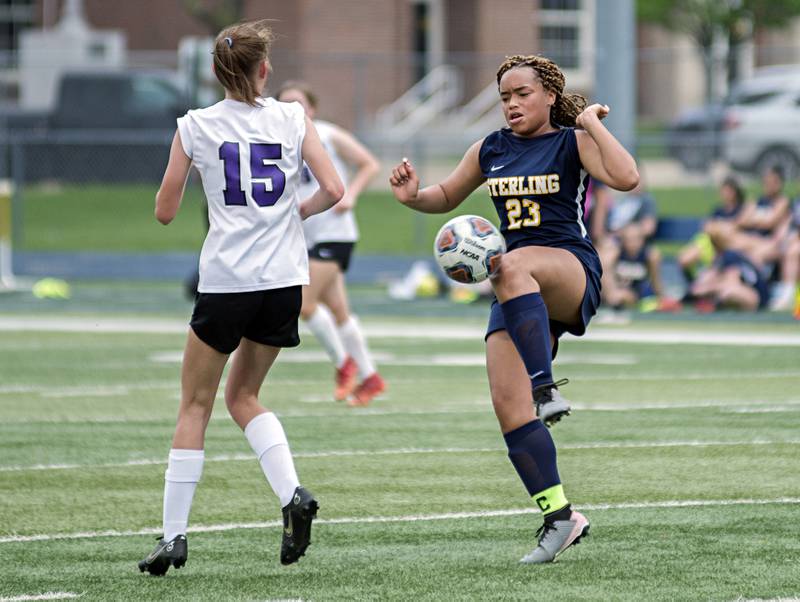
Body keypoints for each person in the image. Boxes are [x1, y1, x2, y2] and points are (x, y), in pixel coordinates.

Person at [389, 54, 638, 564]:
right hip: (514, 283)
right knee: (507, 404)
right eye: (504, 97)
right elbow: (445, 195)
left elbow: (628, 177)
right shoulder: (491, 149)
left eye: (522, 94)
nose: (512, 105)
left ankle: (545, 388)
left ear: (549, 95)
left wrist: (589, 121)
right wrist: (414, 197)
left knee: (510, 263)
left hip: (567, 267)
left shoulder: (572, 141)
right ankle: (560, 516)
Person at [138, 21, 344, 576]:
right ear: (263, 68)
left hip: (228, 279)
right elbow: (335, 189)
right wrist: (291, 214)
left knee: (196, 405)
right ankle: (292, 493)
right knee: (245, 396)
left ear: (215, 71)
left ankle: (174, 537)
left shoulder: (195, 125)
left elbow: (164, 209)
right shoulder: (293, 116)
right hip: (282, 281)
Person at [276, 81, 386, 407]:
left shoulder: (326, 134)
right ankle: (370, 378)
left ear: (312, 109)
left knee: (302, 303)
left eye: (298, 104)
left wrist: (350, 195)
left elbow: (369, 163)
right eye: (284, 105)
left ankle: (344, 364)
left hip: (334, 234)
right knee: (339, 312)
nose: (291, 111)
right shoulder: (275, 138)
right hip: (305, 236)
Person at [678, 176, 746, 287]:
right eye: (723, 191)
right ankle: (694, 285)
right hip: (708, 243)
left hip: (726, 248)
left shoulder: (741, 210)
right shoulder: (718, 210)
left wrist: (720, 227)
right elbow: (706, 226)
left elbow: (735, 228)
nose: (724, 194)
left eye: (727, 191)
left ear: (735, 192)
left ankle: (704, 285)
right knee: (684, 259)